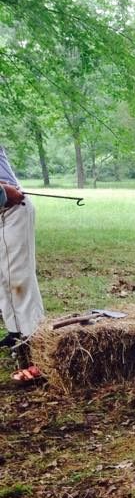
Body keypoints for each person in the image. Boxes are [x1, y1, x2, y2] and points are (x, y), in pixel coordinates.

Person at [0, 145, 46, 382]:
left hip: (12, 209)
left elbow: (6, 192)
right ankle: (16, 333)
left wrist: (2, 191)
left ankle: (37, 344)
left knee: (18, 279)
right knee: (3, 280)